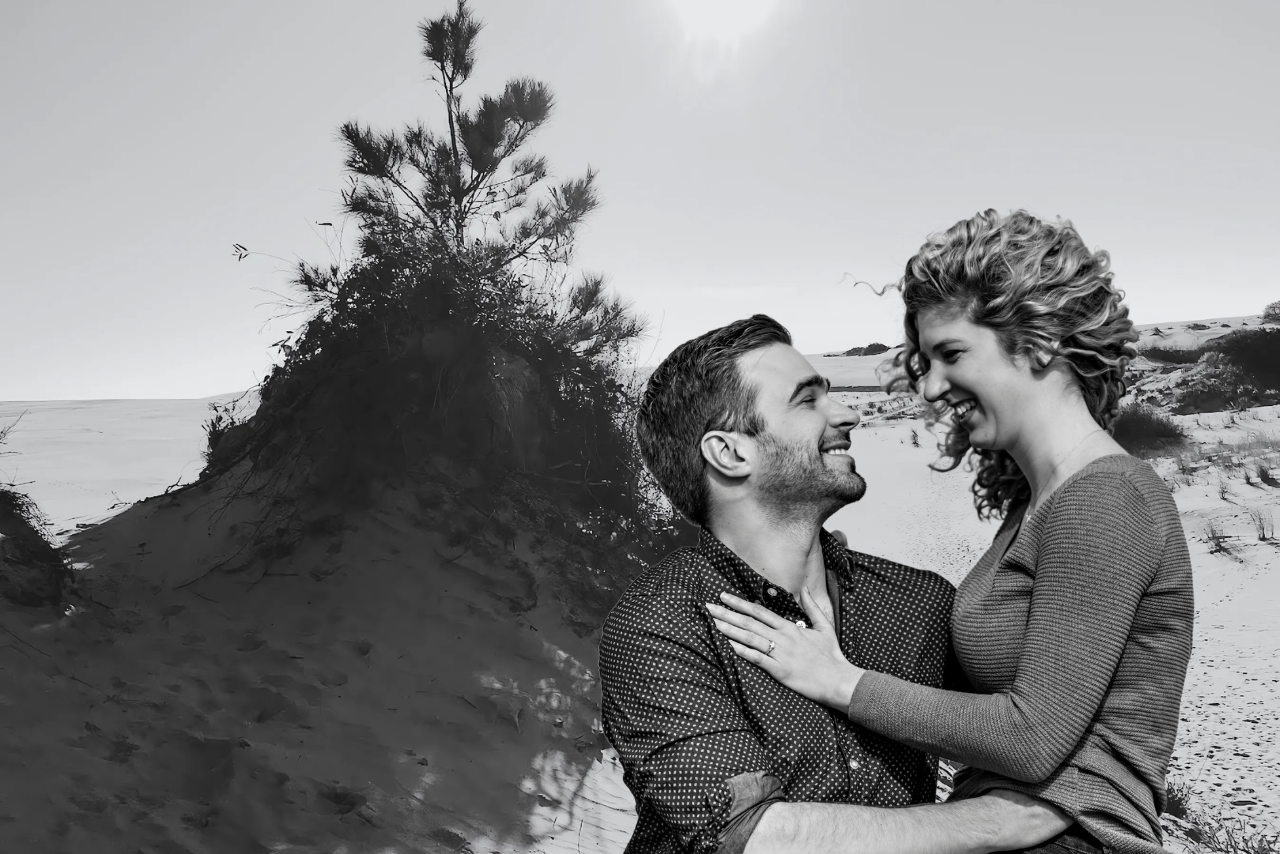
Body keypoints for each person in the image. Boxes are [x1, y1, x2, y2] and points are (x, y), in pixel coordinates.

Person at [710, 209, 1195, 854]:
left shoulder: (1103, 497)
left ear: (1039, 340)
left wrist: (840, 682)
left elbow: (1031, 736)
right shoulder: (1041, 503)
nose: (934, 387)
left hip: (1071, 834)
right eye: (925, 362)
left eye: (952, 354)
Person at [599, 314, 1072, 854]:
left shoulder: (918, 603)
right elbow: (747, 836)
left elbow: (1043, 729)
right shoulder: (661, 624)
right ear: (730, 453)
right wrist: (993, 825)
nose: (848, 414)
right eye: (808, 400)